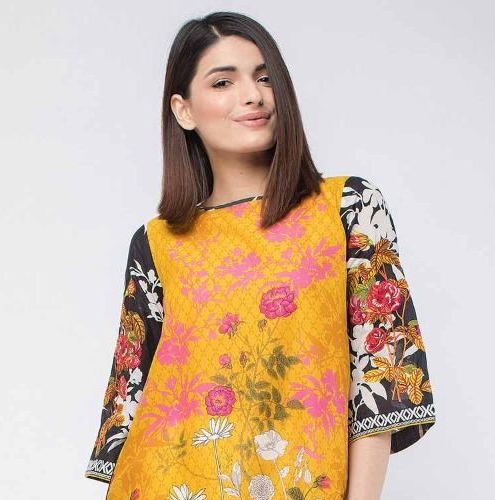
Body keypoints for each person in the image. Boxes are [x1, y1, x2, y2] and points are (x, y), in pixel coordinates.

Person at [84, 11, 436, 500]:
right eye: (223, 82)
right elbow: (129, 403)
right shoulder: (157, 242)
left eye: (265, 78)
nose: (252, 95)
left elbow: (380, 379)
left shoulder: (348, 208)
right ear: (184, 111)